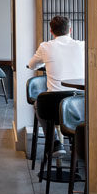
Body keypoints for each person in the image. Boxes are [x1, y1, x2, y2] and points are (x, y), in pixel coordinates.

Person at [27, 16, 85, 156]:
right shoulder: (82, 45)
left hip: (54, 106)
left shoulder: (46, 46)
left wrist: (45, 62)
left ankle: (54, 143)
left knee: (38, 104)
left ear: (51, 31)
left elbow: (32, 65)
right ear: (70, 30)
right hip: (79, 106)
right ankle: (77, 145)